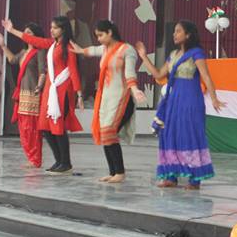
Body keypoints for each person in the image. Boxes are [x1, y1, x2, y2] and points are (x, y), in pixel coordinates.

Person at [136, 20, 225, 189]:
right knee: (170, 134)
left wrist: (214, 98)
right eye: (174, 31)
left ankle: (194, 180)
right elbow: (158, 74)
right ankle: (171, 177)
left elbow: (206, 77)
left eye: (178, 31)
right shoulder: (173, 55)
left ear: (188, 35)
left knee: (189, 135)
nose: (174, 34)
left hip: (191, 100)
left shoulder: (196, 53)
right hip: (173, 100)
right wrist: (143, 56)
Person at [2, 16, 82, 174]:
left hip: (62, 89)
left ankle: (66, 163)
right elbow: (34, 40)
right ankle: (58, 160)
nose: (51, 30)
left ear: (63, 29)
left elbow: (73, 70)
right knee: (45, 127)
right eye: (51, 27)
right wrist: (11, 31)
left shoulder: (69, 46)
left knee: (58, 127)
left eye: (55, 28)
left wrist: (78, 94)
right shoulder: (52, 44)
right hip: (50, 90)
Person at [71, 19, 146, 183]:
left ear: (110, 32)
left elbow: (129, 73)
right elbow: (91, 50)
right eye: (96, 36)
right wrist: (79, 50)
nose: (98, 39)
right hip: (106, 98)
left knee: (109, 132)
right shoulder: (104, 49)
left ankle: (120, 172)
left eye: (100, 35)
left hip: (123, 98)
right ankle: (113, 172)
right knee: (105, 133)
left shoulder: (127, 50)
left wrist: (135, 90)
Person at [0, 23, 47, 168]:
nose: (27, 35)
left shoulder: (40, 52)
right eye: (25, 32)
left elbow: (43, 72)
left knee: (32, 128)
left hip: (33, 93)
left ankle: (36, 159)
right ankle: (31, 157)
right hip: (23, 93)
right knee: (23, 128)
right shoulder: (24, 52)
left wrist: (40, 86)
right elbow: (12, 60)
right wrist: (3, 45)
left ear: (37, 36)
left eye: (30, 32)